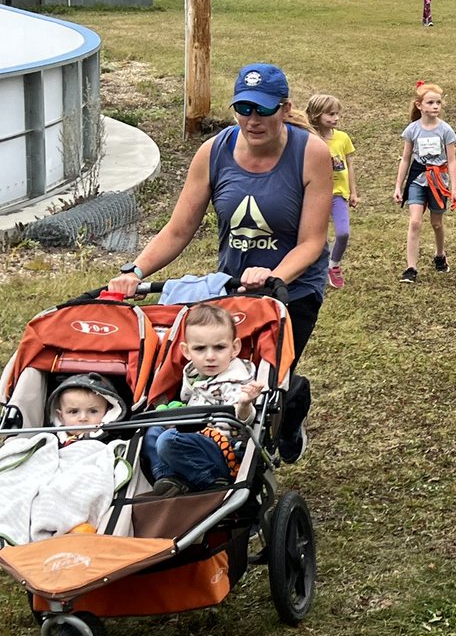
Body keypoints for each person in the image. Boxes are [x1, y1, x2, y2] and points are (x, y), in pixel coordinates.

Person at [107, 63, 332, 463]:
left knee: (268, 376)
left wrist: (273, 276)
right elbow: (178, 230)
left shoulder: (310, 152)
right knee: (222, 368)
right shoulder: (214, 152)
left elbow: (312, 241)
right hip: (231, 286)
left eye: (263, 110)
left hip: (293, 286)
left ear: (284, 108)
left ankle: (287, 416)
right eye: (244, 109)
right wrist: (134, 271)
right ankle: (217, 451)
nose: (253, 119)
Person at [146, 304, 265, 497]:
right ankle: (167, 478)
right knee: (152, 431)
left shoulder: (236, 379)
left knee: (169, 440)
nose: (210, 357)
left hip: (224, 450)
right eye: (200, 349)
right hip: (193, 437)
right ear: (186, 351)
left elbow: (245, 420)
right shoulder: (194, 374)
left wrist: (244, 403)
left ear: (234, 348)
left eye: (219, 347)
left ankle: (211, 481)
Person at [0, 374, 130, 545]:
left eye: (93, 411)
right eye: (73, 412)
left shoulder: (107, 440)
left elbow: (102, 469)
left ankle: (69, 524)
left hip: (86, 470)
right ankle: (39, 525)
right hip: (54, 474)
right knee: (36, 489)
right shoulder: (52, 439)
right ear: (60, 416)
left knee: (75, 486)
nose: (83, 418)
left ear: (107, 411)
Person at [393, 82, 456, 283]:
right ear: (419, 105)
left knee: (437, 223)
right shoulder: (412, 130)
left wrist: (454, 189)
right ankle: (411, 268)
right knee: (415, 222)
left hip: (438, 180)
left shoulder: (446, 130)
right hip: (417, 178)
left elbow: (452, 161)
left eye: (438, 102)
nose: (435, 106)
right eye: (430, 102)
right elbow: (405, 159)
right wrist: (398, 185)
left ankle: (440, 255)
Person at [306, 94, 357, 287]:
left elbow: (349, 166)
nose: (335, 118)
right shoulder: (309, 138)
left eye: (337, 114)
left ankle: (333, 265)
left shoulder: (343, 138)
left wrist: (353, 192)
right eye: (330, 114)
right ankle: (313, 268)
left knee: (343, 233)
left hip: (338, 194)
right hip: (315, 193)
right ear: (317, 115)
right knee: (316, 235)